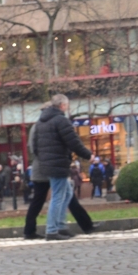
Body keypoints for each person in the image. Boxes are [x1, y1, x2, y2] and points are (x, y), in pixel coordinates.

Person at [28, 94, 92, 240]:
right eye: (66, 105)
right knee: (57, 196)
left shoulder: (41, 123)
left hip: (49, 163)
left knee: (67, 193)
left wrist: (44, 159)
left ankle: (61, 226)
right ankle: (52, 230)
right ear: (62, 105)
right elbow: (73, 142)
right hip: (57, 164)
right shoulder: (60, 120)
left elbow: (35, 147)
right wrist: (88, 155)